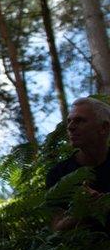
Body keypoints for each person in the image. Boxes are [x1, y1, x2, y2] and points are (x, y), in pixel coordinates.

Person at [46, 97, 110, 232]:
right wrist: (82, 209)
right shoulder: (58, 174)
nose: (70, 127)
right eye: (69, 121)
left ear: (104, 128)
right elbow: (56, 229)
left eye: (80, 121)